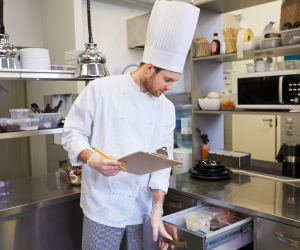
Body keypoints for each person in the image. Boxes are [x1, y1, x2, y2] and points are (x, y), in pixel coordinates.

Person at [62, 1, 199, 250]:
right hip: (103, 207)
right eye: (167, 79)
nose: (170, 87)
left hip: (142, 209)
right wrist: (93, 160)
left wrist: (158, 209)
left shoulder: (166, 108)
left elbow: (161, 161)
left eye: (174, 81)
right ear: (149, 68)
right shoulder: (101, 90)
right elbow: (72, 134)